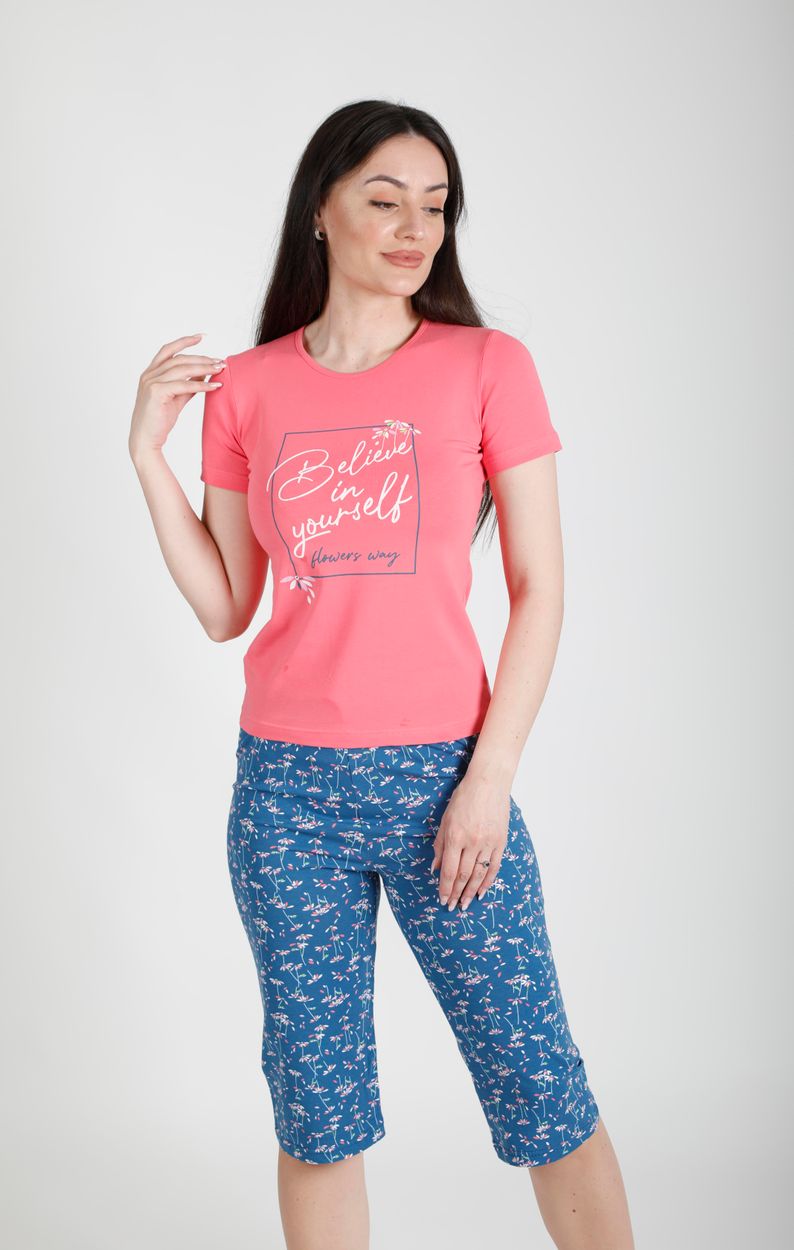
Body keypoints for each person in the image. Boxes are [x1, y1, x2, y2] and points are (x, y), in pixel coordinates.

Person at [129, 99, 634, 1250]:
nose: (415, 228)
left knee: (538, 1083)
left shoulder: (486, 366)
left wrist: (487, 778)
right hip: (286, 791)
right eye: (385, 199)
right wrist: (146, 454)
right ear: (321, 208)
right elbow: (225, 606)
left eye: (435, 206)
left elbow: (539, 588)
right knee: (317, 1110)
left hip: (444, 780)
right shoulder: (247, 387)